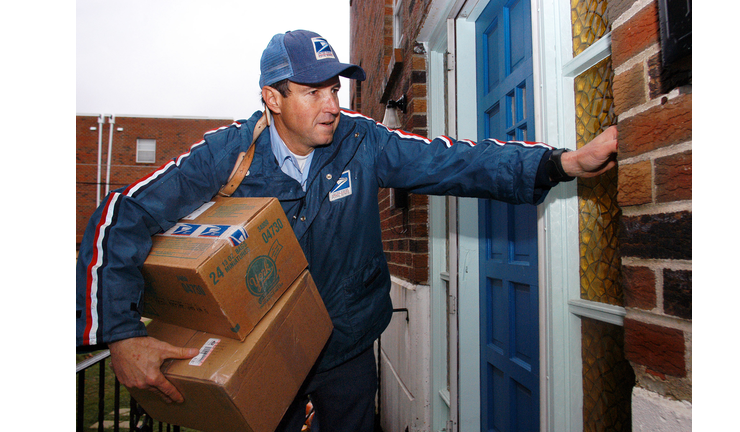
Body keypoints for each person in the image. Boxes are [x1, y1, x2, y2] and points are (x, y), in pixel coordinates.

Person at [76, 29, 618, 432]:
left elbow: (455, 161)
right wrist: (119, 334)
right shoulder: (226, 153)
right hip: (263, 352)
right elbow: (122, 215)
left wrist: (561, 163)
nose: (332, 105)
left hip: (348, 347)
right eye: (312, 92)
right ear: (271, 97)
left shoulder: (361, 141)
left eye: (334, 88)